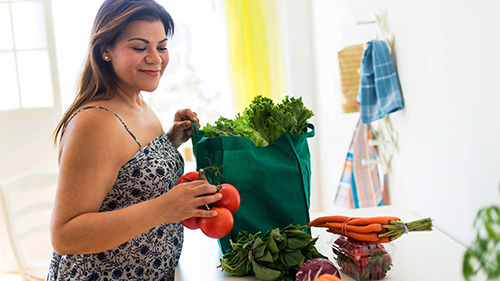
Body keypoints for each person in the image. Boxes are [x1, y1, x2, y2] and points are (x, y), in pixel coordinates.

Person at [48, 0, 221, 280]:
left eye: (162, 47)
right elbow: (65, 235)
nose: (155, 58)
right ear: (105, 50)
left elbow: (127, 176)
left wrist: (169, 142)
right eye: (140, 47)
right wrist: (164, 208)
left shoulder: (137, 101)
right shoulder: (94, 121)